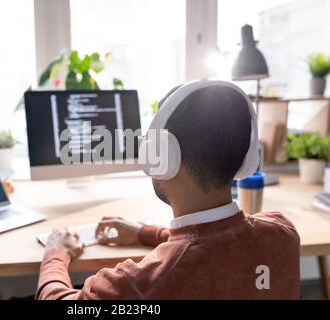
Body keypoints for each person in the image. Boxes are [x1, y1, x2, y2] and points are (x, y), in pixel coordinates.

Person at [36, 82, 300, 300]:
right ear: (246, 158)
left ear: (161, 155)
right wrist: (144, 232)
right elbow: (213, 246)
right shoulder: (283, 234)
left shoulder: (141, 284)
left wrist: (56, 252)